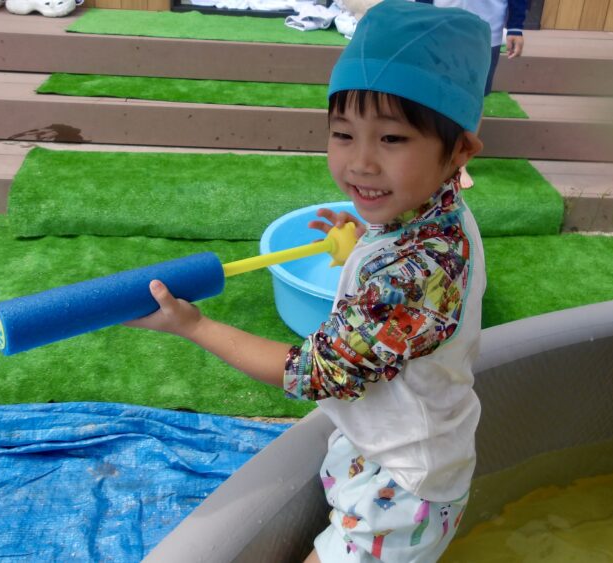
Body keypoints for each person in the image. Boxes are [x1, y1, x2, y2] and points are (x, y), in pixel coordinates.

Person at [126, 1, 491, 560]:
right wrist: (365, 237)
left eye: (391, 139)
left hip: (400, 491)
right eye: (343, 134)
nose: (361, 162)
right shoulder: (431, 218)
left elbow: (316, 373)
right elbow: (404, 277)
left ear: (459, 150)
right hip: (399, 456)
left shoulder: (415, 274)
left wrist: (193, 326)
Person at [427, 0, 529, 187]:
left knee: (473, 98)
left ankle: (460, 164)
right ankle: (433, 157)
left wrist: (515, 26)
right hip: (439, 20)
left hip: (487, 24)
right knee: (436, 92)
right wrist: (422, 13)